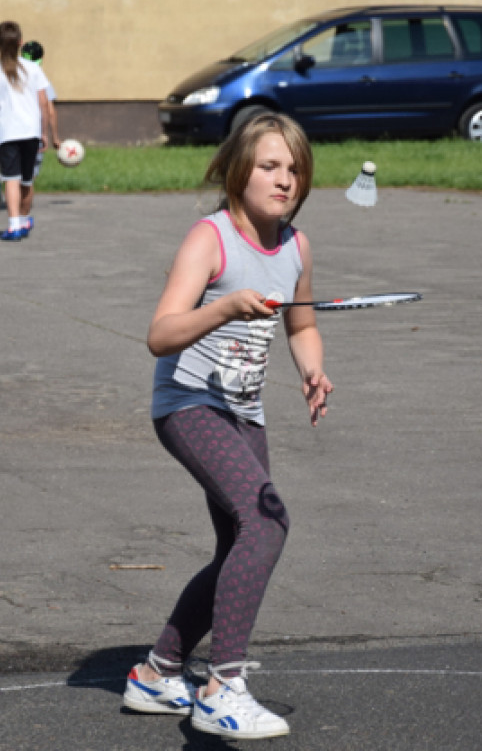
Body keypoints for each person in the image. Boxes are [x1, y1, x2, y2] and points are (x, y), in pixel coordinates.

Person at [122, 112, 333, 741]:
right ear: (238, 170)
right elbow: (160, 335)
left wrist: (312, 371)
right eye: (270, 166)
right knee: (267, 521)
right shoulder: (209, 239)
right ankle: (222, 686)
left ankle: (158, 673)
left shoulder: (296, 246)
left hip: (245, 412)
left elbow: (301, 324)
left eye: (294, 169)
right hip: (188, 405)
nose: (284, 179)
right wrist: (224, 308)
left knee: (244, 543)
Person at [0, 21, 51, 241]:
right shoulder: (34, 69)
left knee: (11, 179)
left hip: (7, 134)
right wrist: (44, 133)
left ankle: (13, 225)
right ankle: (23, 218)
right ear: (21, 42)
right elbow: (44, 104)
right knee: (27, 181)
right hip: (31, 133)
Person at [19, 40, 61, 224]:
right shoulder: (40, 77)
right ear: (41, 58)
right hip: (34, 133)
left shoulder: (10, 74)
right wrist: (54, 136)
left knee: (14, 172)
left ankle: (10, 191)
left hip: (12, 131)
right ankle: (23, 214)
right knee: (29, 176)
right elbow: (49, 109)